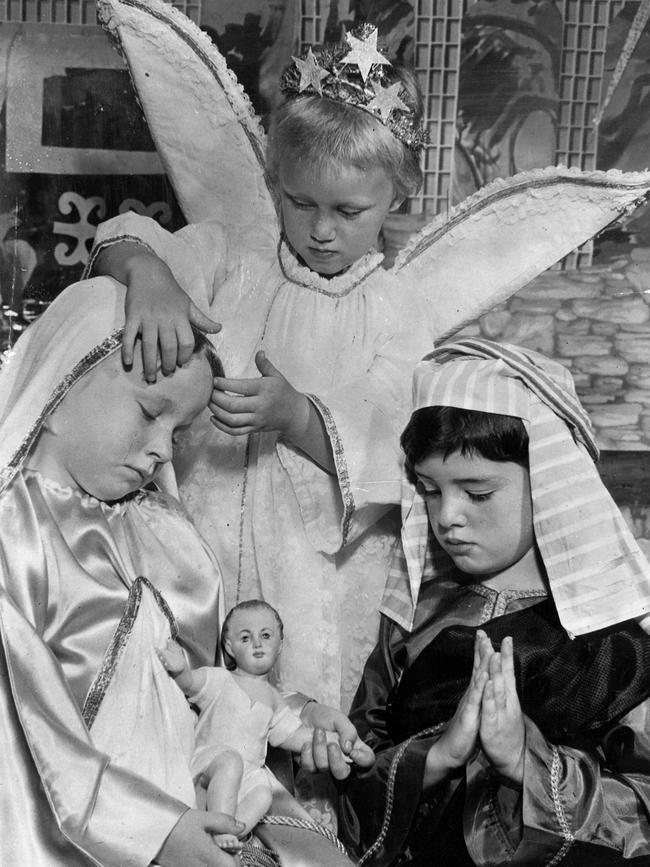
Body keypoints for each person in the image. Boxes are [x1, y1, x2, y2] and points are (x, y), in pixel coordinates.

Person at [86, 25, 433, 709]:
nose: (321, 230)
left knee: (298, 707)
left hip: (316, 565)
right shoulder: (232, 259)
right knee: (189, 695)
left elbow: (396, 430)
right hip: (201, 526)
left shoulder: (397, 309)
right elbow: (118, 242)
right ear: (274, 181)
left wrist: (299, 415)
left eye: (348, 210)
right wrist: (150, 274)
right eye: (301, 203)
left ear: (398, 197)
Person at [0, 276, 370, 866]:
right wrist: (155, 833)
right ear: (61, 380)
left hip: (197, 808)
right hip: (93, 835)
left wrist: (298, 713)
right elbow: (24, 731)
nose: (162, 452)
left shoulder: (164, 533)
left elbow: (212, 679)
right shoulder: (14, 532)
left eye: (176, 432)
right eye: (150, 413)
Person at [339, 337, 650, 866]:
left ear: (551, 483)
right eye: (429, 490)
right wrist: (436, 757)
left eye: (476, 493)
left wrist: (526, 764)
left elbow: (639, 810)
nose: (447, 517)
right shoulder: (413, 620)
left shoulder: (614, 640)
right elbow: (355, 789)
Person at [158, 599, 373, 853]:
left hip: (243, 777)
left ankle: (237, 830)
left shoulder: (273, 699)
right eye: (246, 638)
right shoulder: (219, 679)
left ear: (279, 644)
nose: (258, 644)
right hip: (208, 764)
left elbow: (294, 734)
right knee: (231, 761)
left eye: (266, 635)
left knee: (263, 791)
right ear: (230, 646)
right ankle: (221, 828)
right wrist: (181, 667)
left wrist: (338, 742)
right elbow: (190, 683)